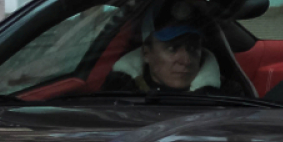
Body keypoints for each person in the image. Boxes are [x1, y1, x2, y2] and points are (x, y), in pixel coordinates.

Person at [103, 20, 246, 95]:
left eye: (193, 48)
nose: (186, 61)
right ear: (146, 53)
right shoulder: (118, 91)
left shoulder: (227, 95)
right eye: (172, 49)